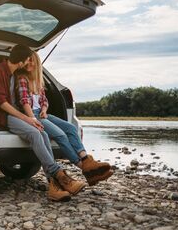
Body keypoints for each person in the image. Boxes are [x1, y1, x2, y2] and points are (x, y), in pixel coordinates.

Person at [0, 44, 86, 202]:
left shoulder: (17, 74)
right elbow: (2, 104)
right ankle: (60, 175)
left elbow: (29, 97)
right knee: (35, 133)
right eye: (27, 59)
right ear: (21, 61)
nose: (29, 62)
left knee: (43, 134)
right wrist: (28, 118)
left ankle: (54, 186)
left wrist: (33, 116)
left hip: (19, 114)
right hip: (4, 116)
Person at [13, 51, 113, 186]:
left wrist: (43, 110)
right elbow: (24, 101)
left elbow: (44, 101)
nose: (29, 64)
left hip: (41, 113)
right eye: (27, 61)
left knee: (71, 128)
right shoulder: (22, 79)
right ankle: (84, 168)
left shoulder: (38, 81)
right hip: (32, 115)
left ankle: (86, 160)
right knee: (61, 135)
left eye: (32, 61)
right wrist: (33, 119)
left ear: (37, 63)